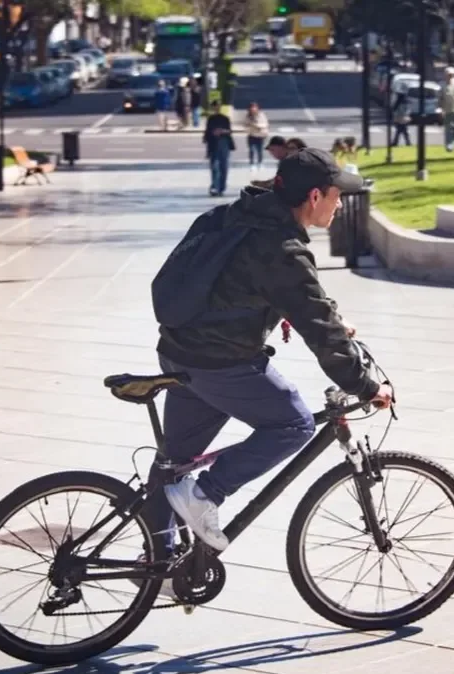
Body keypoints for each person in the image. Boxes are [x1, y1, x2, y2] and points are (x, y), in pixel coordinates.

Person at [157, 148, 395, 551]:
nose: (340, 205)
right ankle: (206, 495)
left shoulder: (237, 215)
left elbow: (232, 281)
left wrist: (280, 309)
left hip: (179, 349)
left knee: (172, 467)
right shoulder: (282, 248)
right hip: (219, 362)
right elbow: (320, 329)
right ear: (315, 197)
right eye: (337, 195)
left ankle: (156, 560)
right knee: (294, 424)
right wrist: (365, 386)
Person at [203, 100, 234, 196]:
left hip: (224, 143)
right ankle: (214, 187)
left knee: (223, 167)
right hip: (213, 144)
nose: (216, 108)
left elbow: (229, 131)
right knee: (214, 167)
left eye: (218, 106)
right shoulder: (211, 119)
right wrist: (212, 133)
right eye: (214, 106)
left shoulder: (225, 118)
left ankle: (222, 187)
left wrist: (222, 131)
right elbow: (207, 132)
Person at [244, 102, 269, 172]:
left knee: (260, 151)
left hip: (260, 136)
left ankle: (260, 163)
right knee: (251, 150)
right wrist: (250, 126)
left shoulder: (261, 115)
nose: (253, 110)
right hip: (251, 136)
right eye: (251, 109)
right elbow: (246, 125)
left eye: (254, 109)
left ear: (257, 109)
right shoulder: (248, 116)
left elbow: (265, 124)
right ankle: (252, 164)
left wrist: (257, 125)